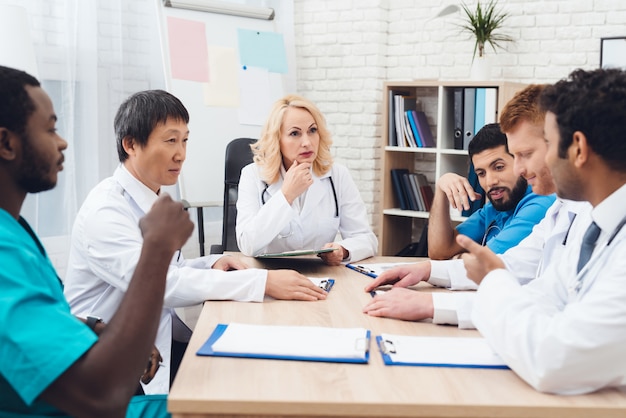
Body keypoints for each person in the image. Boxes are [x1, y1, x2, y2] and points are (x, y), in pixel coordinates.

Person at [63, 90, 327, 395]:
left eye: (184, 140)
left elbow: (167, 268)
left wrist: (210, 262)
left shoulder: (152, 196)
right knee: (240, 388)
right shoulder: (106, 211)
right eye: (170, 140)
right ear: (131, 144)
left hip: (154, 344)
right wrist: (262, 281)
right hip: (109, 366)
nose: (181, 153)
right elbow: (160, 284)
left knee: (257, 370)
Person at [0, 65, 192, 417]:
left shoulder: (14, 229)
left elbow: (31, 321)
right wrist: (158, 248)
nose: (62, 141)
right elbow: (101, 399)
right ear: (6, 143)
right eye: (50, 128)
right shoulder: (4, 252)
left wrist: (92, 327)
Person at [457, 68, 626, 395]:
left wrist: (493, 280)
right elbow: (547, 298)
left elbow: (555, 361)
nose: (525, 168)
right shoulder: (597, 223)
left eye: (548, 143)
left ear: (578, 147)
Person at [363, 84, 590, 327]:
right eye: (481, 172)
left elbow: (541, 302)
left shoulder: (548, 203)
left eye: (524, 155)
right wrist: (428, 270)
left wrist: (433, 303)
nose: (519, 170)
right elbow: (508, 266)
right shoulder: (561, 209)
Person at [236, 94, 378, 266]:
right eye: (295, 133)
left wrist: (343, 250)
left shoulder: (337, 175)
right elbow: (248, 244)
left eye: (312, 130)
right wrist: (286, 195)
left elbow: (366, 238)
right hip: (272, 276)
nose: (307, 142)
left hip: (322, 275)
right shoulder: (252, 175)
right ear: (277, 139)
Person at [428, 122, 554, 260]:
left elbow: (483, 261)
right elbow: (439, 252)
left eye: (499, 167)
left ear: (519, 162)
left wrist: (458, 258)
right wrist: (441, 189)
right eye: (481, 173)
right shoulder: (495, 208)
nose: (490, 181)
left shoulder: (542, 202)